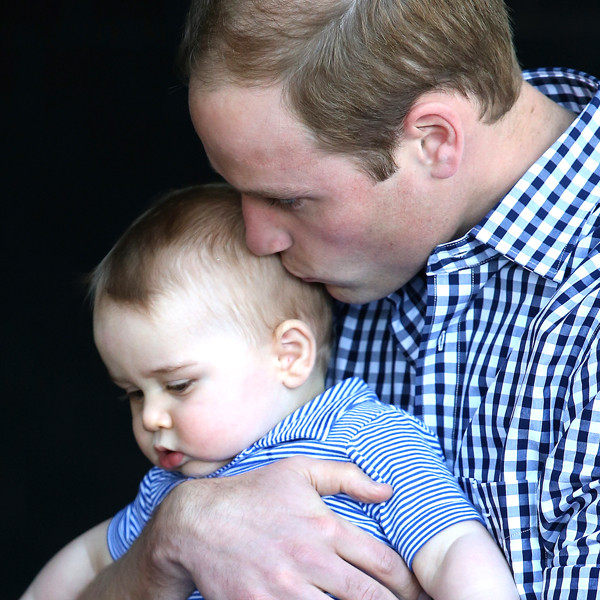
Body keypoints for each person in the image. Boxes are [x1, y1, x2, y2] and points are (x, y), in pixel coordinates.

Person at [76, 1, 600, 599]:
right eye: (238, 192)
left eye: (290, 199)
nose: (256, 241)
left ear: (433, 140)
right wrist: (168, 542)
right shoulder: (304, 275)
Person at [20, 184, 518, 600]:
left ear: (290, 355)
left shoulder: (364, 440)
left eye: (178, 385)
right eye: (133, 393)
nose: (151, 417)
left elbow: (453, 548)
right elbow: (89, 558)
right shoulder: (174, 491)